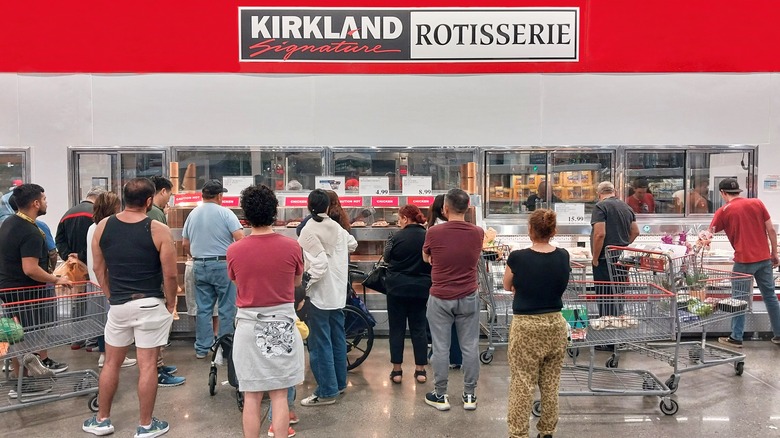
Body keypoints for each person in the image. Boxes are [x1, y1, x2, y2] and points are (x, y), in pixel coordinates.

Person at [83, 177, 178, 437]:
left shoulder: (103, 226)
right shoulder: (158, 229)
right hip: (149, 304)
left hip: (119, 306)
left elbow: (99, 268)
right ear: (149, 201)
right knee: (147, 365)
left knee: (111, 363)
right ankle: (146, 425)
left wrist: (111, 294)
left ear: (124, 198)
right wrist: (170, 303)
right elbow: (170, 275)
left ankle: (102, 420)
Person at [226, 185, 305, 438]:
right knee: (280, 393)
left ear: (245, 215)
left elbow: (238, 283)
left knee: (251, 394)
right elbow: (296, 282)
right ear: (275, 212)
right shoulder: (292, 247)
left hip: (248, 325)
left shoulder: (234, 250)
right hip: (281, 323)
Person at [503, 209, 570, 438]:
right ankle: (547, 431)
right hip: (555, 325)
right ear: (553, 231)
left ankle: (519, 434)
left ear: (530, 230)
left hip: (526, 326)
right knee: (550, 384)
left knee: (522, 383)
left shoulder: (518, 257)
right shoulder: (563, 255)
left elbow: (506, 285)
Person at [0, 184, 71, 381]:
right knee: (28, 339)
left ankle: (20, 380)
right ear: (36, 203)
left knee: (17, 338)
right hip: (26, 293)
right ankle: (25, 381)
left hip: (9, 291)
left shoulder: (9, 223)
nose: (47, 203)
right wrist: (57, 279)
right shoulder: (30, 232)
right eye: (45, 199)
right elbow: (30, 269)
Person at [422, 189, 484, 411]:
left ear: (445, 208)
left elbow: (426, 257)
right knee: (470, 346)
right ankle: (469, 395)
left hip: (440, 296)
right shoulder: (478, 232)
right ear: (467, 208)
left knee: (440, 347)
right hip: (468, 295)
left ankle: (440, 394)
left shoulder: (434, 232)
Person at [297, 189, 357, 406]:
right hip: (338, 295)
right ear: (328, 206)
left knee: (319, 343)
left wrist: (305, 285)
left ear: (308, 205)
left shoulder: (308, 230)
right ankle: (339, 384)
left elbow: (319, 264)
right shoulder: (337, 227)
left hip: (319, 296)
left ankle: (327, 391)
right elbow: (353, 244)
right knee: (337, 339)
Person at [711, 178, 780, 348]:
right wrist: (774, 253)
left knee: (739, 299)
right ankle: (779, 334)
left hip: (743, 261)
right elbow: (771, 229)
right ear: (738, 192)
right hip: (764, 259)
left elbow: (708, 234)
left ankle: (736, 337)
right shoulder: (757, 203)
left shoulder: (724, 210)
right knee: (770, 297)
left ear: (722, 193)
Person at [182, 179, 244, 359]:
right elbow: (240, 238)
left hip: (199, 265)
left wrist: (195, 256)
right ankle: (225, 348)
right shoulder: (226, 213)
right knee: (226, 308)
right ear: (219, 196)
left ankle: (202, 349)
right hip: (222, 265)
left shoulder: (193, 214)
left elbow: (185, 243)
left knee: (204, 309)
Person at [85, 191, 137, 370]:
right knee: (113, 323)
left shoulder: (93, 227)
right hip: (109, 282)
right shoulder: (110, 227)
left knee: (102, 321)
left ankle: (103, 354)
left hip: (94, 281)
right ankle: (113, 356)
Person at [145, 176, 185, 387]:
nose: (170, 198)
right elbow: (163, 250)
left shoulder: (155, 213)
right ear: (161, 192)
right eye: (169, 193)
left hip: (149, 279)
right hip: (156, 279)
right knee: (157, 326)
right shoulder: (155, 214)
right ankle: (157, 370)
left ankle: (159, 365)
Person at [384, 205, 431, 384]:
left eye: (399, 217)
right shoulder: (427, 235)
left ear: (405, 218)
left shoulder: (394, 236)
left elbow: (387, 257)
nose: (398, 221)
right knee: (418, 329)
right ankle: (420, 370)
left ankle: (397, 371)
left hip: (396, 288)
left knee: (396, 329)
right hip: (421, 288)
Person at [591, 181, 639, 351]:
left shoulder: (600, 207)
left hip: (605, 259)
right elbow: (635, 231)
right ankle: (618, 338)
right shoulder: (626, 207)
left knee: (605, 298)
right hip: (622, 260)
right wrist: (624, 245)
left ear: (598, 193)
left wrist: (596, 257)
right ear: (615, 191)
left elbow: (599, 234)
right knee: (618, 297)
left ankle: (607, 340)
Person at [57, 186, 105, 350]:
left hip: (73, 267)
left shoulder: (67, 213)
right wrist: (82, 256)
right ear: (98, 199)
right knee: (95, 302)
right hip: (90, 264)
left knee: (77, 300)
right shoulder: (95, 215)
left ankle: (77, 339)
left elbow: (59, 239)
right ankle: (93, 341)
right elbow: (95, 240)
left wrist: (68, 256)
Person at [426, 194, 462, 370]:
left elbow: (427, 257)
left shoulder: (431, 228)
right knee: (454, 325)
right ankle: (455, 357)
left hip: (437, 282)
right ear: (445, 209)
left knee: (439, 327)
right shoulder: (450, 229)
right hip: (457, 284)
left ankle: (438, 356)